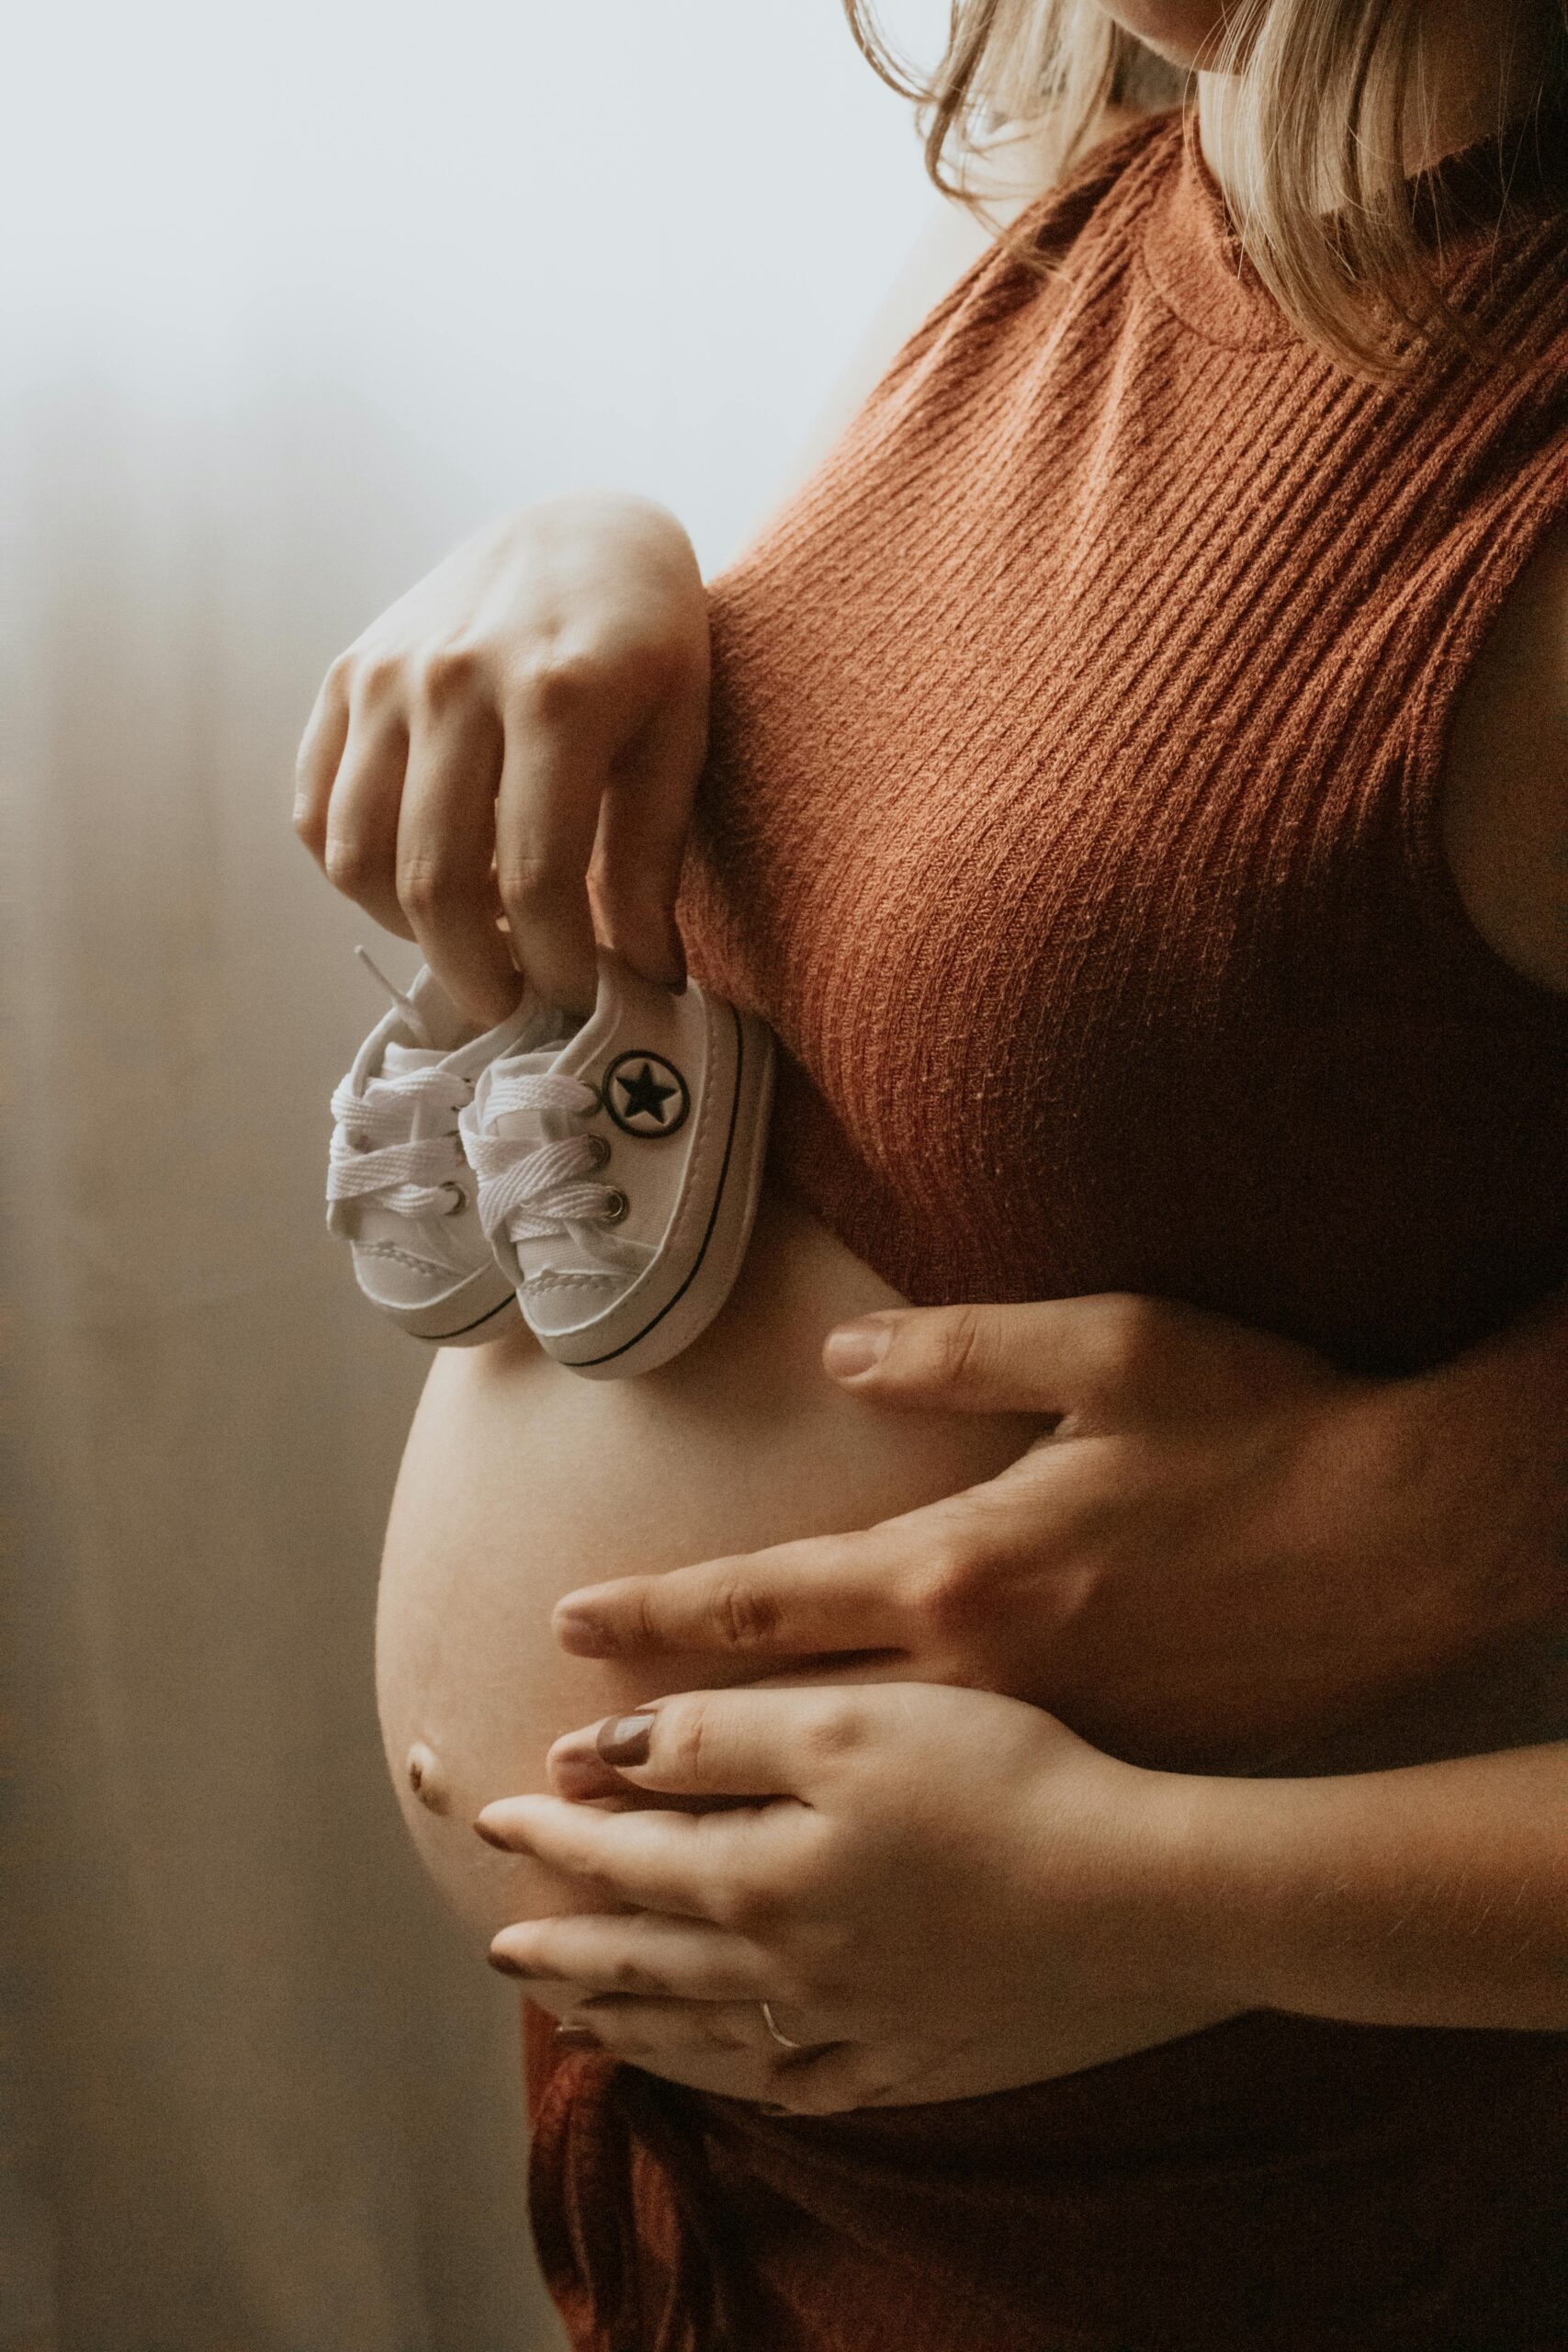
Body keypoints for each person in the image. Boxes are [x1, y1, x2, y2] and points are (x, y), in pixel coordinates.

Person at [295, 1, 1568, 2344]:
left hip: (1166, 2227)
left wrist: (1157, 1879)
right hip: (727, 2176)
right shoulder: (1116, 163)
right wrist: (601, 557)